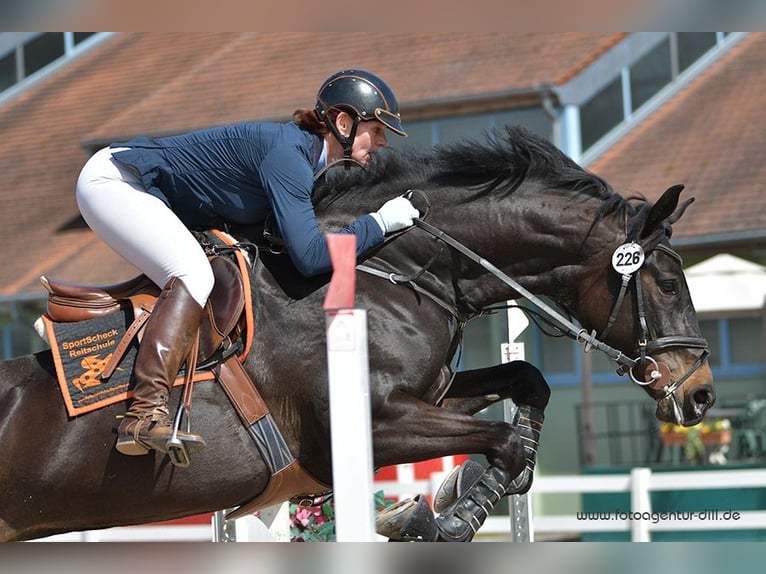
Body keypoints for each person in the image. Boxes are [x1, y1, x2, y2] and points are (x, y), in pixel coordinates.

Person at [75, 69, 419, 458]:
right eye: (375, 130)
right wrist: (379, 223)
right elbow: (309, 257)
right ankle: (142, 414)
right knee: (193, 275)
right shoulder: (290, 158)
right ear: (343, 122)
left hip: (132, 185)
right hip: (115, 182)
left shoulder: (303, 156)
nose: (382, 142)